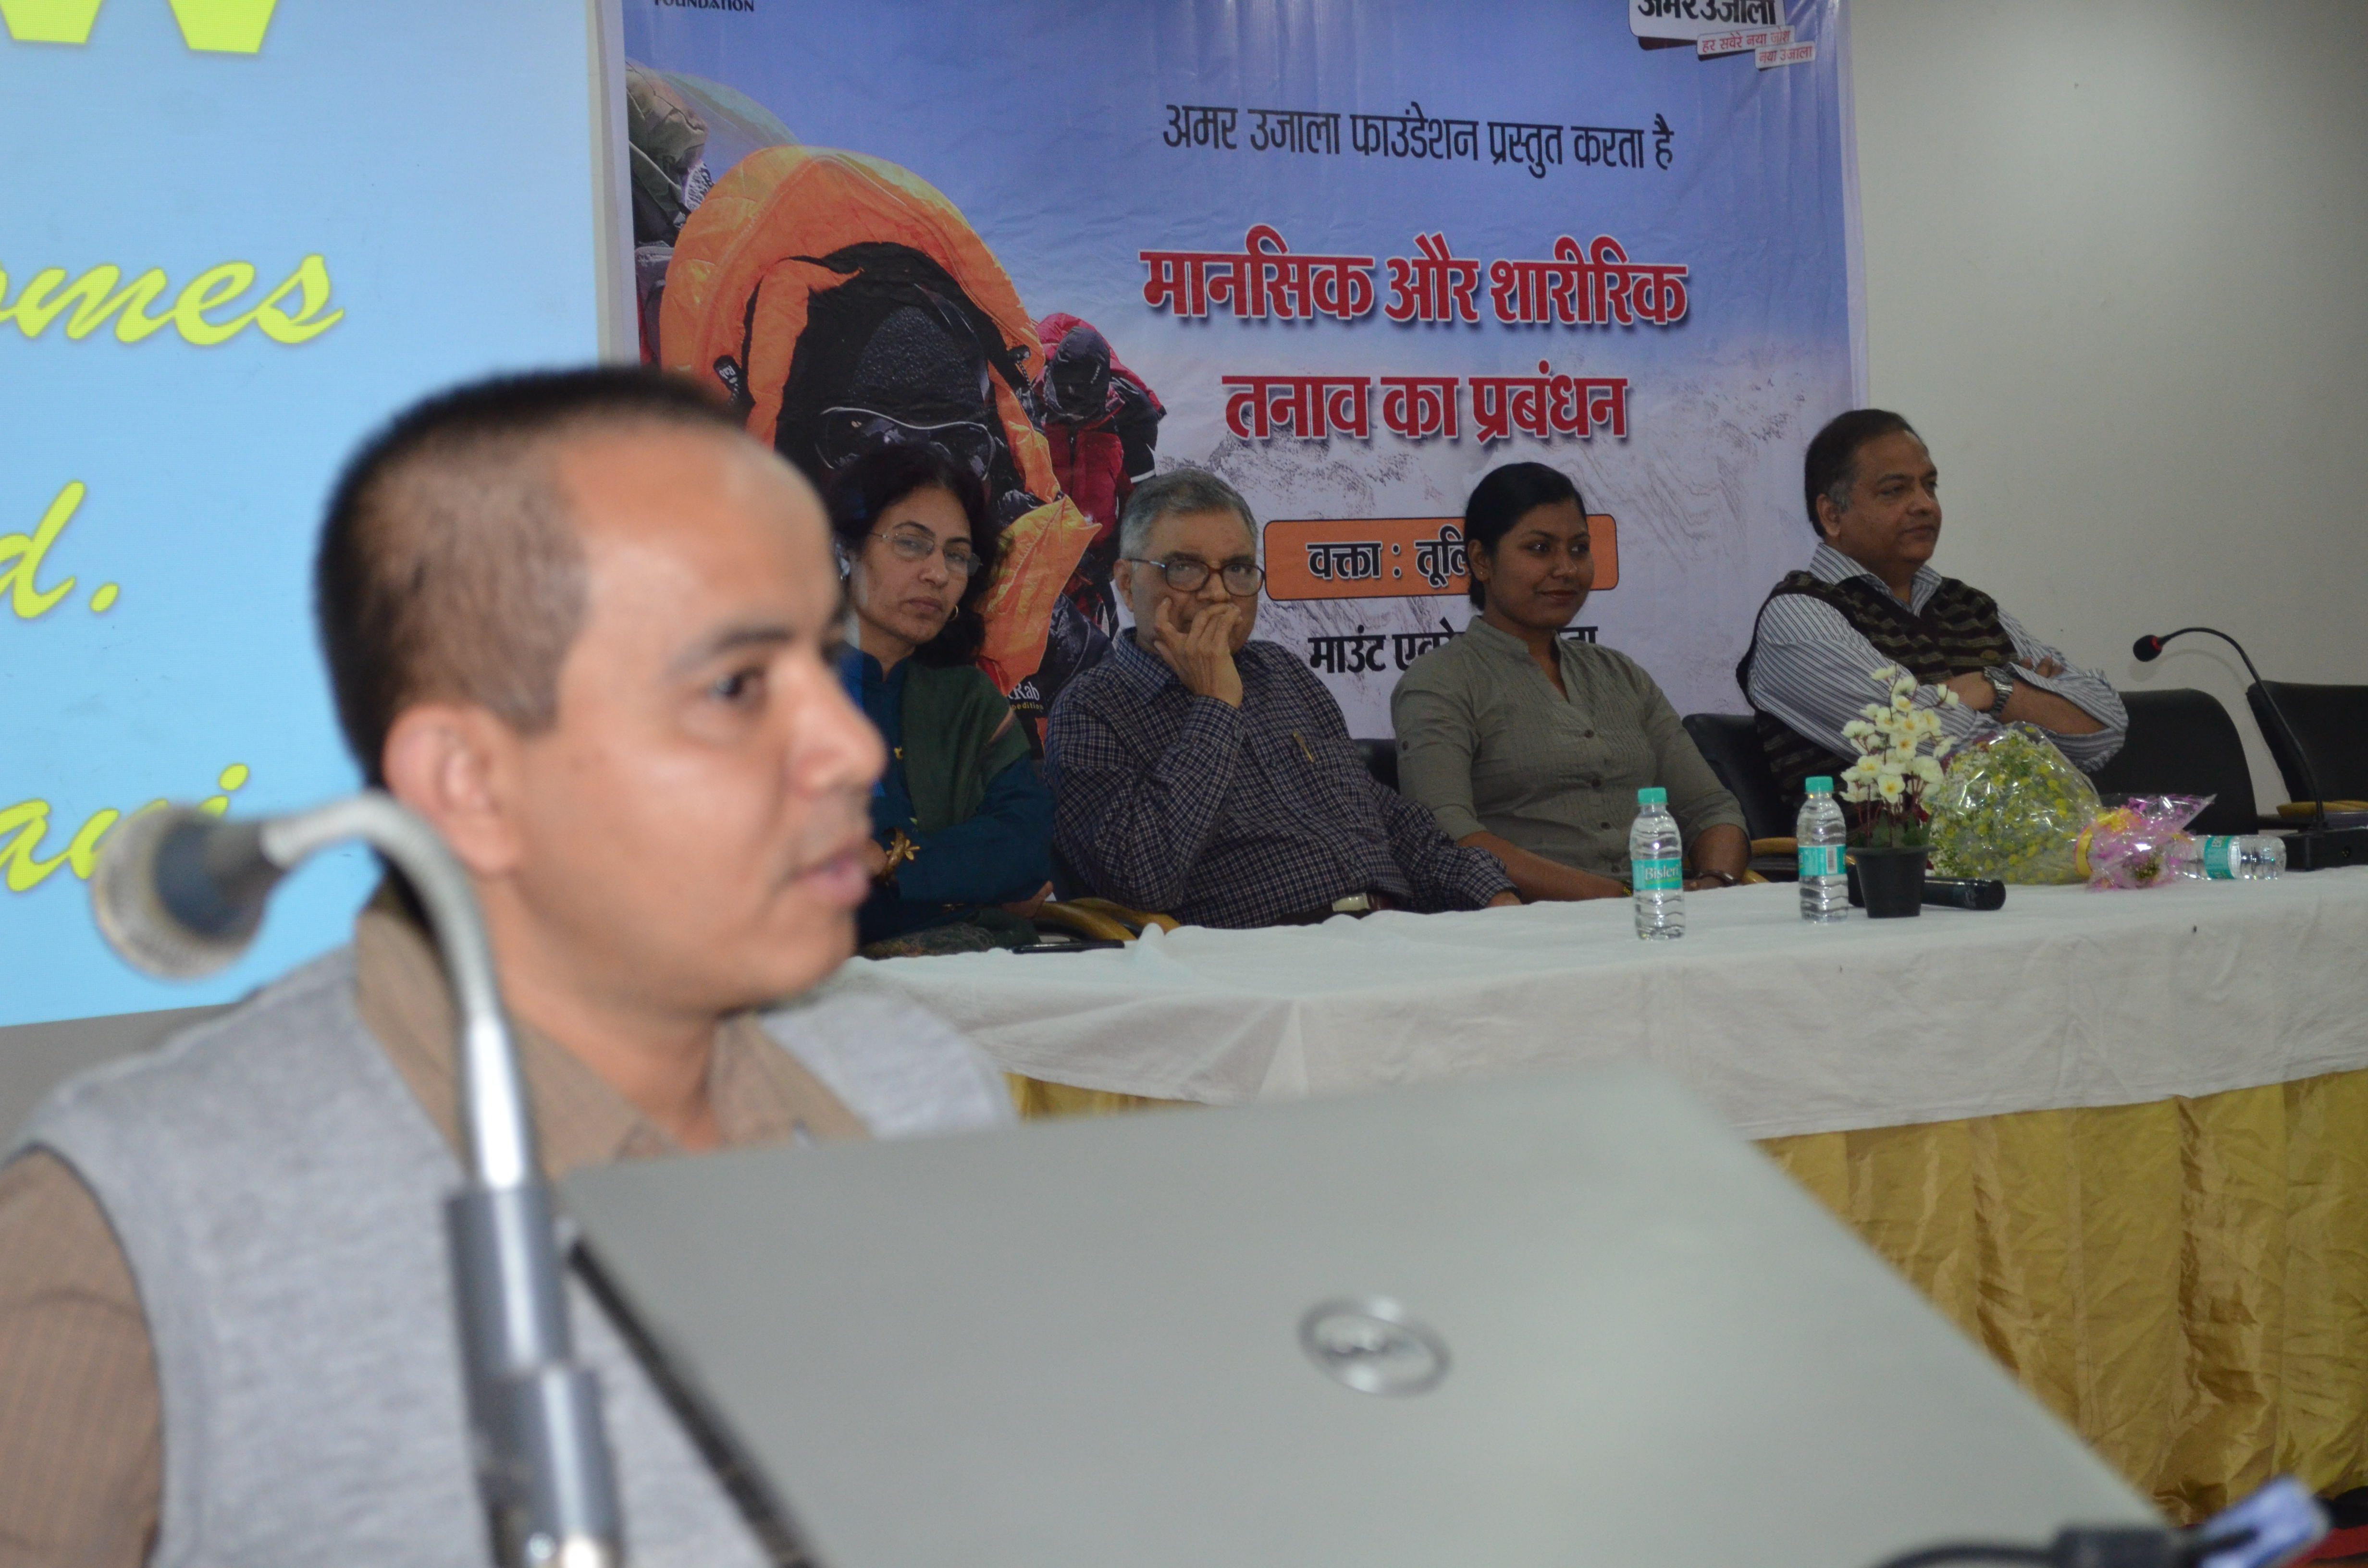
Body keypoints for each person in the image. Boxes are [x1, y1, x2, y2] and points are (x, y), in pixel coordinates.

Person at [0, 369, 1013, 1567]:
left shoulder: (916, 1089)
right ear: (470, 783)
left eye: (827, 661)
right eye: (737, 685)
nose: (848, 747)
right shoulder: (137, 1220)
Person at [1045, 469, 1519, 928]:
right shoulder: (1093, 708)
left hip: (1393, 931)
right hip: (1263, 957)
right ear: (1127, 584)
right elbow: (1140, 878)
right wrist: (1216, 707)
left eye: (1237, 569)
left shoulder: (1280, 672)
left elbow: (1383, 818)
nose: (1217, 594)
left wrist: (1490, 892)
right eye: (1184, 568)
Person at [1394, 464, 1749, 898]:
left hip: (1659, 913)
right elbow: (1448, 834)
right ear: (1482, 561)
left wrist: (1715, 885)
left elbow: (1711, 808)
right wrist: (1612, 897)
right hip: (1527, 922)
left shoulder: (1621, 675)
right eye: (1540, 549)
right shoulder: (1441, 682)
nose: (1566, 569)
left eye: (1579, 549)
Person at [1739, 409, 2126, 803]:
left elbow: (2106, 730)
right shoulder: (1799, 616)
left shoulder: (1968, 605)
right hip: (1883, 844)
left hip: (2033, 836)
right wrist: (2034, 707)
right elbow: (1921, 743)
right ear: (1832, 515)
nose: (1925, 505)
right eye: (1895, 490)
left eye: (1930, 486)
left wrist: (1997, 690)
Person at [827, 444, 1055, 954]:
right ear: (846, 548)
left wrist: (886, 858)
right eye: (911, 544)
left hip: (976, 971)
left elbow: (1026, 850)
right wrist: (964, 879)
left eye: (955, 555)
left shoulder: (967, 700)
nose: (938, 573)